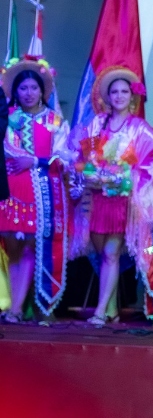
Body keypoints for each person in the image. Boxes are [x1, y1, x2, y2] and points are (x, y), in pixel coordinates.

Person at [75, 67, 153, 326]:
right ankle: (111, 310)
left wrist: (129, 175)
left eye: (124, 92)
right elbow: (84, 156)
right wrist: (91, 171)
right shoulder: (96, 124)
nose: (119, 96)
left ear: (132, 97)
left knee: (110, 254)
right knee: (101, 255)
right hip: (96, 198)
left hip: (122, 201)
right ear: (107, 96)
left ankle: (99, 311)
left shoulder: (139, 128)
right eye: (114, 91)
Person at [0, 59, 68, 322]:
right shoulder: (9, 118)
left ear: (43, 91)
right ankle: (15, 305)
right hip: (13, 188)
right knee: (13, 247)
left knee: (32, 248)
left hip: (45, 192)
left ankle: (20, 307)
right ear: (15, 91)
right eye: (23, 88)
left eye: (33, 88)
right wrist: (21, 158)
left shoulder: (55, 121)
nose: (28, 93)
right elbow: (6, 149)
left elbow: (65, 154)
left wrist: (36, 161)